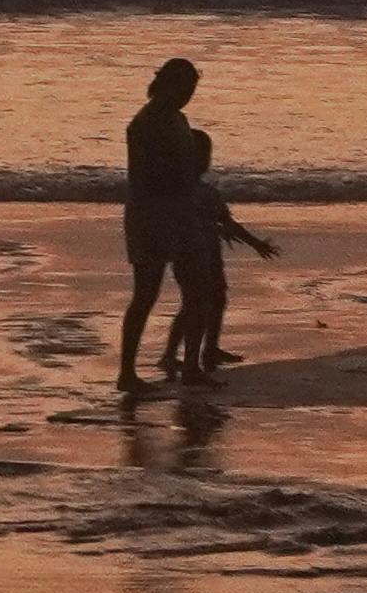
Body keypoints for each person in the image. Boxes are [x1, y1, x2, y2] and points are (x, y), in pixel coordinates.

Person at [114, 57, 273, 389]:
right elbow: (147, 176)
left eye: (191, 91)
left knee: (198, 291)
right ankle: (127, 373)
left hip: (182, 215)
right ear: (167, 85)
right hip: (150, 216)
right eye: (184, 89)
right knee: (145, 294)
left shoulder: (179, 121)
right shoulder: (143, 124)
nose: (187, 97)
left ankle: (191, 367)